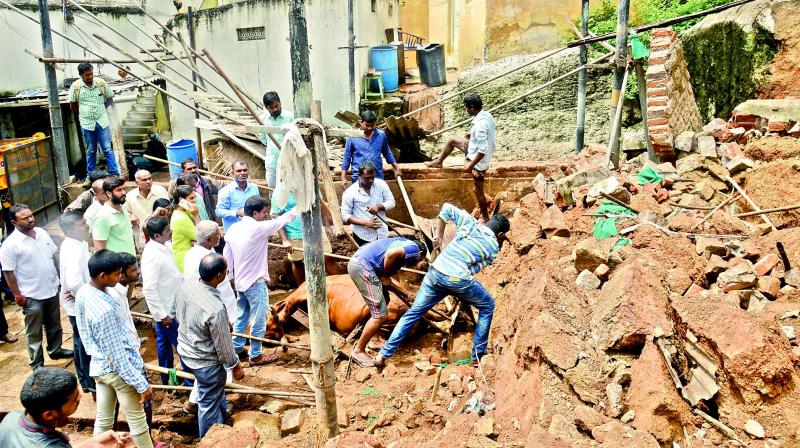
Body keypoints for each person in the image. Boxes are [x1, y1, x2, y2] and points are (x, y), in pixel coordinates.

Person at [375, 204, 509, 368]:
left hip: (435, 272)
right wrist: (461, 289)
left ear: (487, 222)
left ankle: (383, 354)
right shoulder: (494, 247)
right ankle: (477, 356)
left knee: (413, 314)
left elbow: (446, 208)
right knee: (488, 305)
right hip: (458, 279)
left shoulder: (470, 223)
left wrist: (437, 238)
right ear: (500, 234)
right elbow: (474, 269)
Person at [75, 250, 155, 448]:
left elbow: (85, 336)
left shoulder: (84, 292)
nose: (120, 277)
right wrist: (141, 384)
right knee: (137, 421)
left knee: (103, 419)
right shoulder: (105, 311)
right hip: (118, 373)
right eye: (116, 273)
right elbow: (117, 357)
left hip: (100, 368)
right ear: (102, 276)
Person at [175, 253, 244, 437]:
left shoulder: (186, 286)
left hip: (187, 351)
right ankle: (210, 438)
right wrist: (235, 366)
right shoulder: (215, 308)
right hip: (206, 362)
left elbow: (175, 312)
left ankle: (221, 421)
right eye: (226, 270)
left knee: (213, 392)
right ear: (219, 276)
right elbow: (224, 347)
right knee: (207, 402)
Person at [224, 196, 296, 365]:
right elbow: (285, 219)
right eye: (264, 212)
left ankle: (237, 348)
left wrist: (230, 277)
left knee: (242, 316)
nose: (265, 215)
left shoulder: (234, 228)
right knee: (259, 320)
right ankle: (256, 355)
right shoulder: (257, 228)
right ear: (255, 213)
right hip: (255, 283)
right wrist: (302, 204)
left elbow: (227, 255)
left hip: (240, 282)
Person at [0, 204, 72, 369]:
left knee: (54, 324)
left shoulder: (42, 233)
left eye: (31, 215)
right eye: (25, 218)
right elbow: (8, 273)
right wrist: (17, 295)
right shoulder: (10, 245)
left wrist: (60, 278)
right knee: (34, 331)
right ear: (14, 222)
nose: (30, 220)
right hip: (31, 295)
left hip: (51, 288)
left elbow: (53, 256)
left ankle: (55, 350)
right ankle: (37, 363)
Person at [0, 367, 131, 448]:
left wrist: (96, 443)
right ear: (49, 415)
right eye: (75, 400)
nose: (80, 397)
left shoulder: (12, 418)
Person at [346, 237, 425, 367]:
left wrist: (405, 293)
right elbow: (388, 261)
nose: (418, 262)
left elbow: (386, 282)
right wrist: (386, 275)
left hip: (362, 264)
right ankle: (358, 350)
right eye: (420, 259)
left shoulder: (400, 244)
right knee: (380, 315)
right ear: (421, 254)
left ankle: (374, 340)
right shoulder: (414, 248)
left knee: (385, 299)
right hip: (363, 268)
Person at [424, 93, 496, 222]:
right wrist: (471, 134)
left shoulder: (480, 125)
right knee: (452, 140)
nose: (466, 110)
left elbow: (483, 150)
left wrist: (471, 164)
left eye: (467, 108)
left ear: (472, 107)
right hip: (473, 147)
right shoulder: (486, 115)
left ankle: (485, 217)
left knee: (477, 189)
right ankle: (438, 162)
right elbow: (487, 132)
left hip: (479, 160)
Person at [140, 216, 189, 385]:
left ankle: (168, 378)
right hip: (167, 310)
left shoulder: (164, 247)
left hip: (173, 303)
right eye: (167, 231)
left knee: (164, 344)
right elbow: (149, 289)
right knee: (183, 345)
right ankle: (190, 383)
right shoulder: (152, 256)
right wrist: (161, 315)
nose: (171, 232)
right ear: (156, 236)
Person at [58, 211, 95, 395]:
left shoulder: (79, 243)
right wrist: (88, 300)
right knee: (84, 343)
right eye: (82, 224)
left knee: (81, 341)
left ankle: (85, 379)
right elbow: (73, 282)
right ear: (71, 229)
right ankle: (87, 382)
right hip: (78, 304)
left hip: (81, 301)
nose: (86, 225)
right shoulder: (72, 249)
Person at [271, 180, 335, 286]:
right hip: (294, 233)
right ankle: (302, 290)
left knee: (327, 258)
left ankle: (338, 286)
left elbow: (321, 205)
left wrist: (327, 226)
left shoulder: (310, 184)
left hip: (316, 229)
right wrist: (285, 240)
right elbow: (277, 217)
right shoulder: (279, 192)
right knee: (297, 262)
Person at [68, 63, 120, 176]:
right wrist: (83, 114)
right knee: (91, 150)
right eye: (87, 75)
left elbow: (110, 98)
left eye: (91, 74)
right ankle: (90, 173)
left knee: (107, 148)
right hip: (87, 124)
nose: (90, 77)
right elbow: (72, 106)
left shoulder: (100, 83)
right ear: (81, 75)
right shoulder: (75, 86)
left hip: (102, 121)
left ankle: (114, 172)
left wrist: (103, 110)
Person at [184, 221, 236, 324]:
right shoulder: (195, 257)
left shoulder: (210, 250)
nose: (220, 236)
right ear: (208, 239)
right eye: (217, 234)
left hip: (226, 302)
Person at [341, 161, 396, 246]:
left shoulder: (381, 184)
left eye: (373, 177)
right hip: (363, 236)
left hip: (382, 233)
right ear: (359, 176)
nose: (371, 180)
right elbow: (345, 216)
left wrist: (378, 206)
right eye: (367, 178)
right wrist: (365, 223)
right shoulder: (350, 193)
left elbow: (392, 202)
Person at [340, 110, 401, 185]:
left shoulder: (381, 135)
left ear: (376, 123)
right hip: (359, 177)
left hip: (377, 176)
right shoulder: (353, 136)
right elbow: (347, 157)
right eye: (367, 125)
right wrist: (343, 177)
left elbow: (387, 153)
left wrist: (397, 168)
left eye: (372, 125)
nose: (369, 128)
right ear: (361, 122)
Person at [257, 91, 294, 189]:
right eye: (271, 108)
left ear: (280, 102)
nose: (275, 109)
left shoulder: (290, 117)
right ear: (266, 107)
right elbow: (263, 138)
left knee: (290, 188)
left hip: (288, 159)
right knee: (273, 189)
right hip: (272, 160)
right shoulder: (262, 119)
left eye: (277, 106)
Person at [125, 170, 169, 249]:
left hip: (160, 233)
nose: (148, 182)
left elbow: (169, 208)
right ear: (137, 182)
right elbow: (125, 212)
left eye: (150, 178)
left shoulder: (161, 190)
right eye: (144, 180)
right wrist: (130, 216)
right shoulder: (130, 196)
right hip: (141, 234)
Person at [93, 177, 136, 255]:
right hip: (117, 265)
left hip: (131, 262)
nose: (124, 192)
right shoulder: (102, 217)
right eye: (119, 190)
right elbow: (100, 251)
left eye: (124, 189)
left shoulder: (123, 209)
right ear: (109, 194)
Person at [215, 161, 259, 231]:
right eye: (239, 171)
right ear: (233, 173)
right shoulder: (226, 191)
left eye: (245, 170)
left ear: (248, 171)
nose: (242, 173)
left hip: (252, 230)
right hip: (234, 233)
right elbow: (219, 212)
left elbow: (259, 207)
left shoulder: (254, 188)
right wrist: (237, 213)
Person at [170, 185, 199, 273]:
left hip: (190, 256)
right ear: (181, 200)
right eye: (191, 198)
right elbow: (202, 237)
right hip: (184, 259)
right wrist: (196, 215)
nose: (194, 201)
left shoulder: (186, 212)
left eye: (195, 197)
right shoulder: (180, 218)